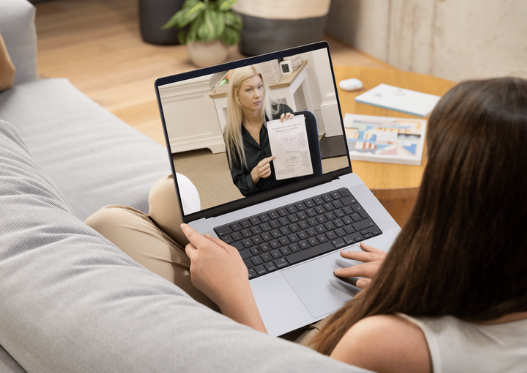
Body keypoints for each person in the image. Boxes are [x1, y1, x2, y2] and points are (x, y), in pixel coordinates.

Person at [86, 77, 527, 372]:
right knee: (169, 196)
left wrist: (237, 296)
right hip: (347, 288)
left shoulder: (387, 342)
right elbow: (240, 180)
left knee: (113, 222)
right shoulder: (496, 291)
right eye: (249, 89)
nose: (257, 94)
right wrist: (414, 275)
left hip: (280, 342)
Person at [223, 65, 314, 196]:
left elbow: (305, 161)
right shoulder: (231, 134)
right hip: (262, 199)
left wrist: (294, 128)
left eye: (260, 86)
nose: (257, 95)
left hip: (294, 191)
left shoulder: (282, 114)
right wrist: (254, 175)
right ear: (236, 94)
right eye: (249, 90)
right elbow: (241, 183)